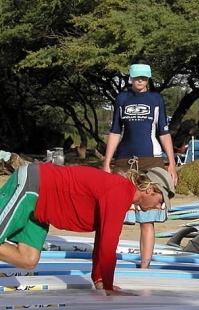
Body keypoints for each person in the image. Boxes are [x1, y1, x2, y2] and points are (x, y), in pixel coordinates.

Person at [0, 163, 175, 296]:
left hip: (41, 209)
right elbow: (108, 247)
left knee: (28, 259)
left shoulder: (122, 197)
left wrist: (99, 280)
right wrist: (108, 287)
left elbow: (101, 240)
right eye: (160, 201)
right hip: (33, 184)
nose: (159, 207)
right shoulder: (119, 192)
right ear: (150, 189)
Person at [103, 57, 178, 269]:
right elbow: (115, 131)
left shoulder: (156, 99)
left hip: (151, 160)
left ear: (148, 79)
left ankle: (145, 265)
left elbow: (163, 132)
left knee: (148, 215)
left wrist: (171, 163)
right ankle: (108, 261)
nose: (140, 81)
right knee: (117, 214)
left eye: (144, 78)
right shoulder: (122, 99)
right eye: (137, 77)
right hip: (124, 161)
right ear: (131, 77)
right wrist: (107, 163)